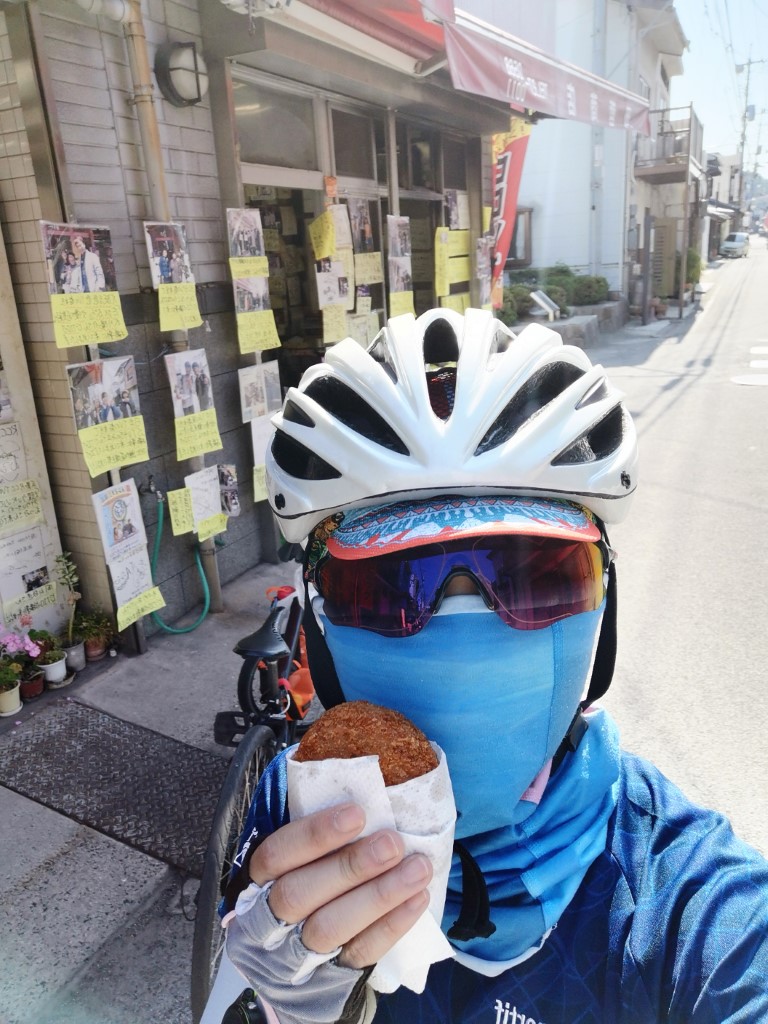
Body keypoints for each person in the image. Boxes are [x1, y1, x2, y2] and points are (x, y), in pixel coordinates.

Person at [208, 309, 768, 1024]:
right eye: (383, 588)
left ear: (607, 606)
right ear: (316, 629)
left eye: (538, 577)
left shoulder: (689, 901)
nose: (464, 650)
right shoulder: (299, 812)